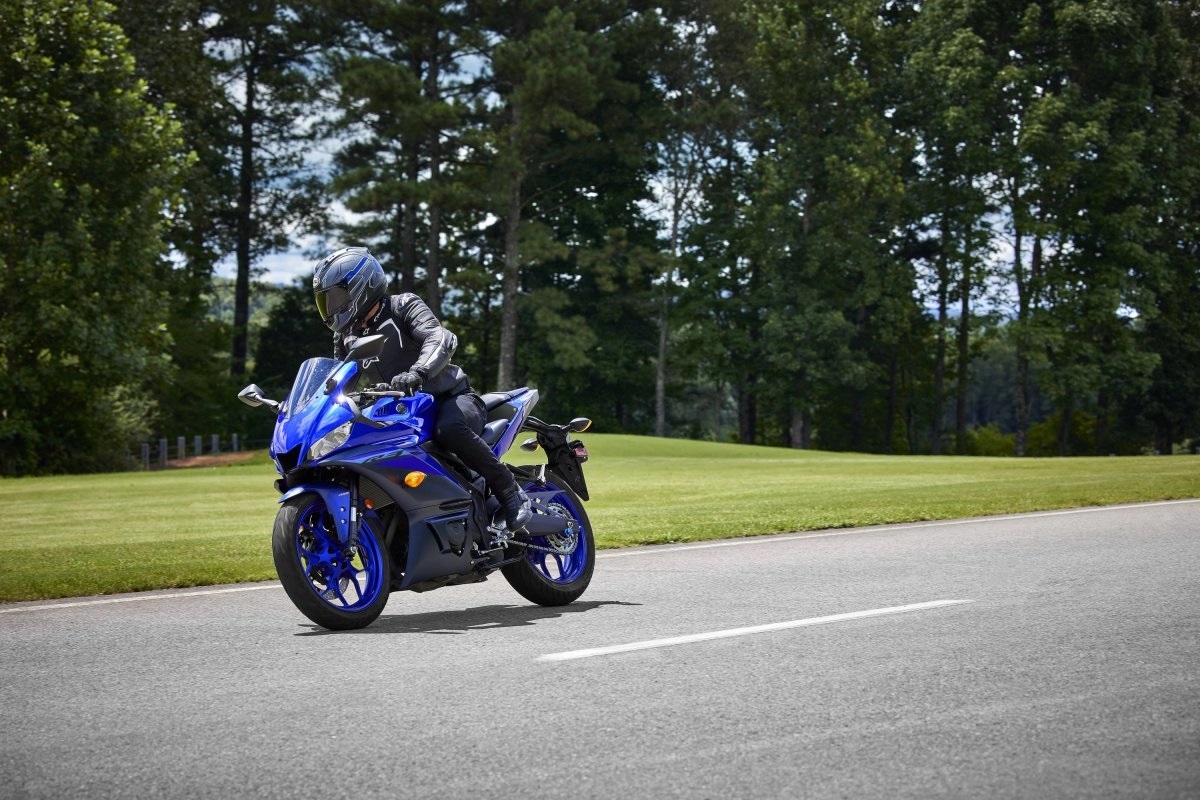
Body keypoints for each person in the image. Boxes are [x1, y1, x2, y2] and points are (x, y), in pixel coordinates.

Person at [312, 246, 532, 531]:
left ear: (361, 285)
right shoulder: (345, 336)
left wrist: (417, 373)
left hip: (450, 399)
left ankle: (511, 492)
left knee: (449, 429)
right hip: (403, 410)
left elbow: (439, 338)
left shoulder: (403, 306)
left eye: (336, 297)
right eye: (326, 300)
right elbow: (336, 379)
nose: (331, 306)